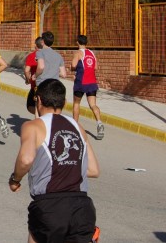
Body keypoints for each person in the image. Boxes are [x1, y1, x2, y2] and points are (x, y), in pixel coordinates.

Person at [8, 78, 99, 243]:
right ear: (64, 102)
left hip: (49, 207)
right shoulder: (78, 127)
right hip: (82, 208)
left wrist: (15, 179)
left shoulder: (33, 126)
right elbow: (93, 170)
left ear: (39, 100)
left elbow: (26, 159)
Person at [72, 35, 104, 140]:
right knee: (93, 105)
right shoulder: (92, 53)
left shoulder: (78, 53)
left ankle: (75, 127)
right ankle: (99, 123)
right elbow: (95, 67)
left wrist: (74, 68)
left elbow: (73, 65)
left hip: (81, 82)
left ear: (77, 42)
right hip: (92, 82)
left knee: (76, 103)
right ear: (86, 43)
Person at [24, 37, 44, 116]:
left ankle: (40, 119)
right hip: (48, 84)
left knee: (32, 106)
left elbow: (26, 70)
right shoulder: (49, 55)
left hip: (36, 84)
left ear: (36, 45)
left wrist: (27, 79)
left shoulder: (32, 55)